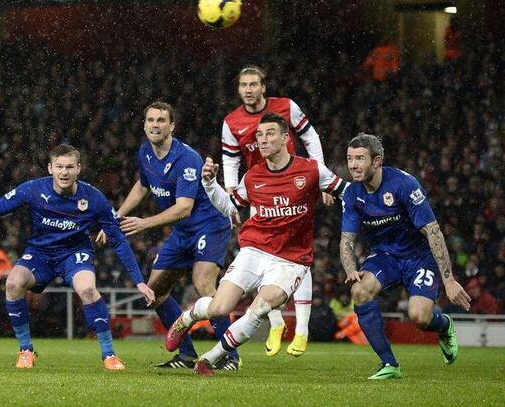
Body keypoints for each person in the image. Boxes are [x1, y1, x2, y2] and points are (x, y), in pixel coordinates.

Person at [165, 113, 348, 376]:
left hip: (291, 260)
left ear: (286, 138)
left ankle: (208, 359)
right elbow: (230, 207)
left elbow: (346, 191)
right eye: (259, 135)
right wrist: (209, 184)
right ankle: (185, 319)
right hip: (253, 251)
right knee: (220, 307)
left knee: (260, 307)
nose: (262, 140)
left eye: (270, 133)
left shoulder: (311, 170)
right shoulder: (253, 176)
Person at [0, 144, 155, 370]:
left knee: (87, 289)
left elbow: (118, 240)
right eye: (59, 167)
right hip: (40, 254)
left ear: (79, 169)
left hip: (75, 254)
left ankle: (109, 355)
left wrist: (139, 281)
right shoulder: (34, 189)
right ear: (50, 168)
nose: (64, 172)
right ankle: (26, 350)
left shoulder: (94, 198)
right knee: (13, 283)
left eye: (69, 167)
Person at [98, 101, 239, 370]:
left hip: (209, 224)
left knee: (203, 284)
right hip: (183, 231)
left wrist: (143, 224)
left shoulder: (187, 158)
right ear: (144, 125)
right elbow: (142, 186)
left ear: (171, 126)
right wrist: (115, 218)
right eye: (150, 120)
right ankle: (186, 355)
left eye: (161, 120)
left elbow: (185, 208)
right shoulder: (145, 153)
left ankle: (229, 355)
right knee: (155, 292)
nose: (155, 125)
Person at [339, 133, 471, 380]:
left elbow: (433, 231)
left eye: (359, 159)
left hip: (419, 257)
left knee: (419, 317)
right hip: (384, 256)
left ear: (377, 161)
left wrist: (449, 280)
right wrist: (350, 269)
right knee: (359, 291)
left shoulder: (404, 184)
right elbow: (347, 239)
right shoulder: (352, 193)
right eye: (349, 159)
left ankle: (444, 325)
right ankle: (389, 364)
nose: (353, 165)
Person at [221, 65, 331, 357]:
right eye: (243, 85)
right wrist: (231, 189)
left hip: (295, 183)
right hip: (259, 188)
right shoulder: (231, 121)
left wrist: (320, 175)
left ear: (263, 87)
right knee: (265, 253)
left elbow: (311, 137)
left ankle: (302, 329)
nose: (248, 89)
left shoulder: (286, 106)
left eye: (253, 84)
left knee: (296, 250)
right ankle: (276, 321)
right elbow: (230, 158)